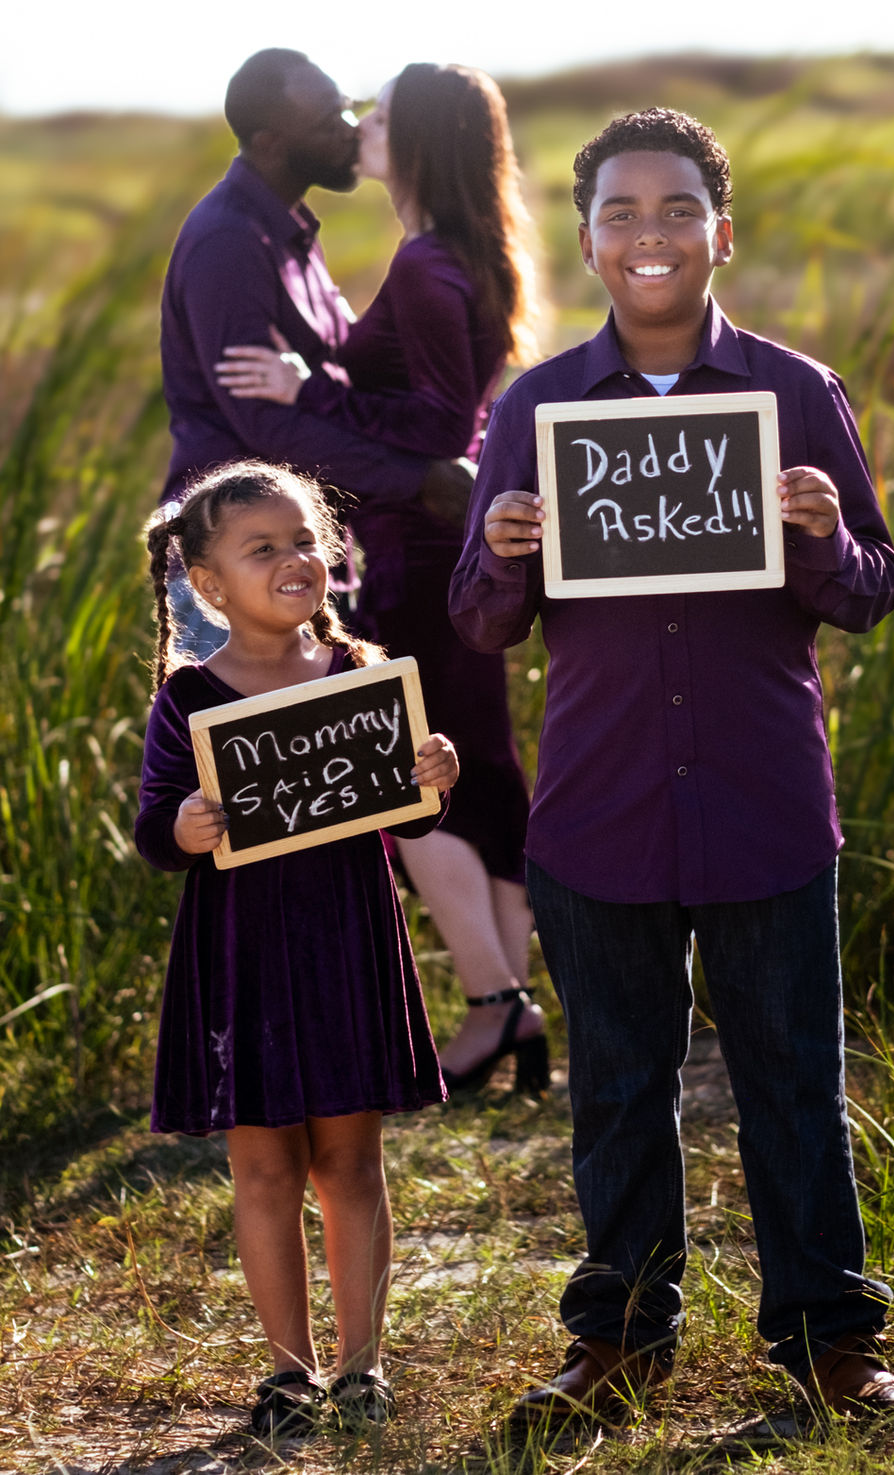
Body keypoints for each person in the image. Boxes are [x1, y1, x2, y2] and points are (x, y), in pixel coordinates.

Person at [448, 108, 894, 1429]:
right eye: (619, 212)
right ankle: (619, 1340)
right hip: (600, 807)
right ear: (586, 238)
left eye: (674, 209)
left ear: (722, 232)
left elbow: (873, 590)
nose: (647, 233)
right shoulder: (536, 406)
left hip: (764, 800)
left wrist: (821, 533)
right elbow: (480, 621)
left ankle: (829, 1337)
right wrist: (505, 548)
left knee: (791, 1083)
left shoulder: (794, 392)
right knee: (615, 1087)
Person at [215, 64, 548, 1095]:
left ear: (421, 141)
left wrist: (311, 386)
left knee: (405, 772)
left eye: (385, 116)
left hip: (414, 554)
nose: (362, 124)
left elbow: (438, 426)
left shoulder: (427, 265)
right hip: (446, 548)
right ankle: (513, 1004)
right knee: (479, 766)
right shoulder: (464, 254)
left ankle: (495, 1004)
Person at [135, 461, 459, 1439]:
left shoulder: (360, 674)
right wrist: (183, 826)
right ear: (207, 583)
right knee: (266, 1168)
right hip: (241, 955)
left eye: (304, 540)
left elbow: (411, 815)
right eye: (262, 547)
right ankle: (289, 1371)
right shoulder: (188, 700)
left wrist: (434, 773)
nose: (293, 559)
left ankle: (362, 1365)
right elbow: (155, 829)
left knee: (350, 1161)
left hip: (344, 940)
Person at [159, 47, 474, 648]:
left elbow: (338, 376)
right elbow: (264, 424)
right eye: (330, 122)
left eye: (347, 109)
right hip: (232, 573)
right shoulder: (228, 243)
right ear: (272, 143)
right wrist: (418, 480)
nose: (351, 130)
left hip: (294, 555)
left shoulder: (290, 228)